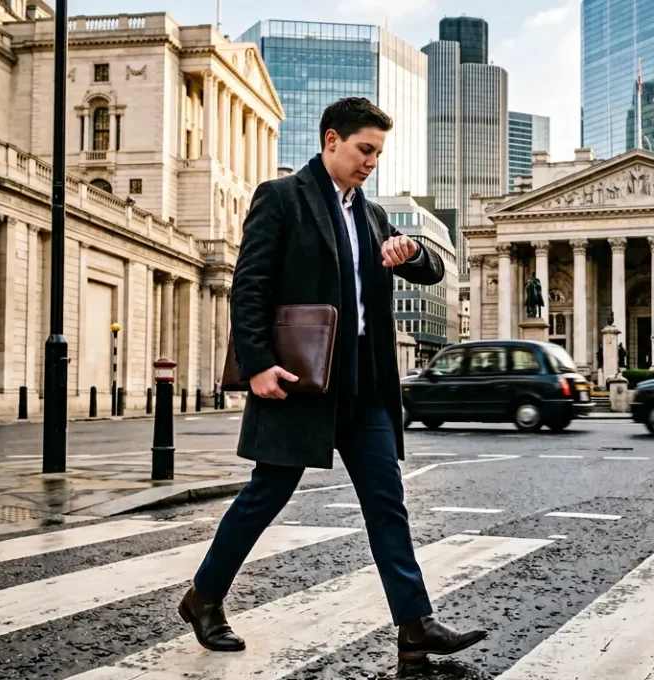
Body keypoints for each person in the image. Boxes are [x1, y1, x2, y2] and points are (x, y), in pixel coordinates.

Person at [179, 97, 486, 663]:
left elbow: (434, 269)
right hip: (301, 377)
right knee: (267, 493)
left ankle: (416, 624)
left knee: (386, 500)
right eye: (364, 149)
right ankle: (204, 596)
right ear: (331, 141)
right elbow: (250, 287)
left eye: (378, 153)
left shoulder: (370, 216)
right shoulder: (283, 198)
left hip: (366, 383)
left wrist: (412, 250)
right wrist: (257, 364)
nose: (371, 161)